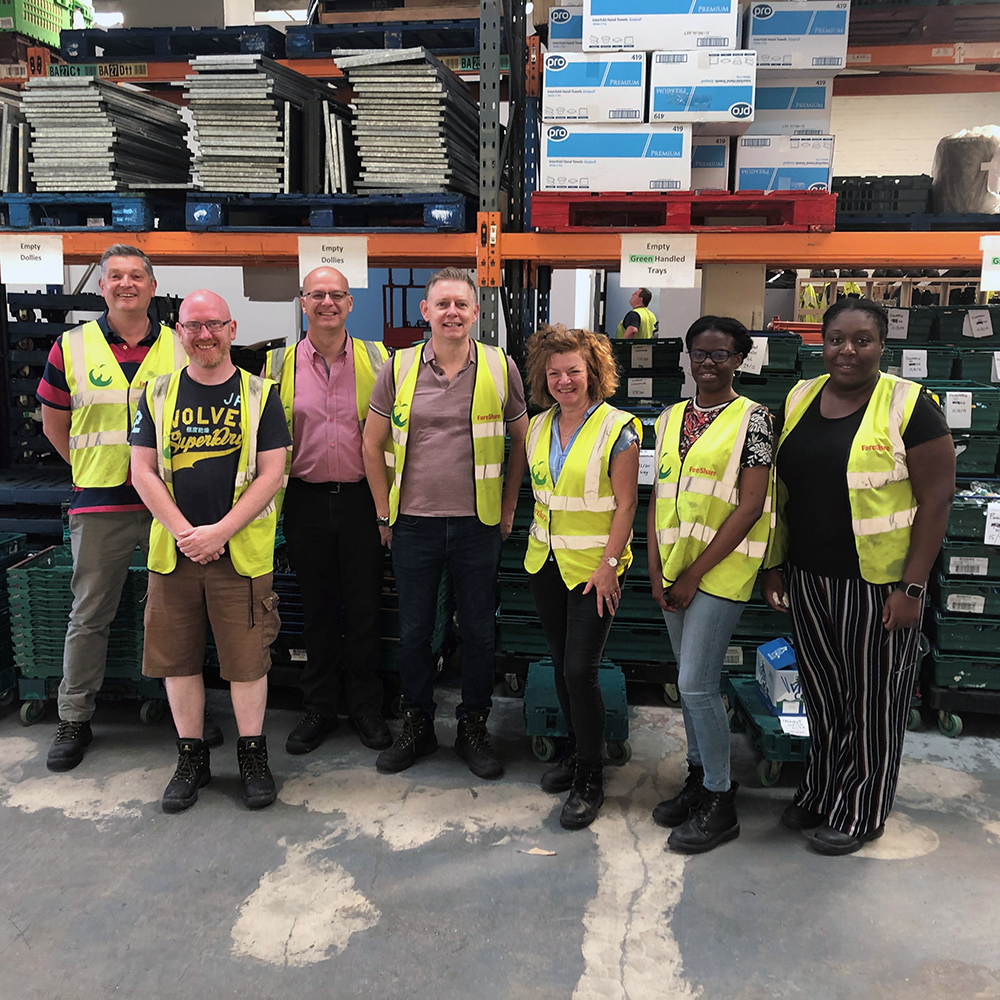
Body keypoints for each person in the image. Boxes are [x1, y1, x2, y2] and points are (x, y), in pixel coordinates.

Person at [761, 297, 954, 856]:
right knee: (822, 696)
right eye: (837, 339)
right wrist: (775, 564)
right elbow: (782, 492)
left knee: (873, 702)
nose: (848, 350)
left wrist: (913, 586)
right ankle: (823, 790)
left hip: (879, 586)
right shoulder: (800, 397)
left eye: (862, 340)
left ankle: (864, 808)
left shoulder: (909, 405)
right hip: (810, 577)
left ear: (881, 345)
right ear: (821, 343)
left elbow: (937, 499)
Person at [36, 243, 204, 772]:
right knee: (89, 615)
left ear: (153, 287)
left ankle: (191, 722)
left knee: (183, 614)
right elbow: (54, 424)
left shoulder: (183, 346)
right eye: (116, 276)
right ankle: (73, 717)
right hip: (99, 504)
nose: (126, 283)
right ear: (102, 286)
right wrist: (94, 472)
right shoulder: (72, 346)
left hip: (171, 507)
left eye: (137, 276)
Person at [362, 267, 528, 779]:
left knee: (478, 632)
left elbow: (520, 442)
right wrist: (383, 513)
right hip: (413, 524)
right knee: (414, 633)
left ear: (476, 313)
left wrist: (505, 512)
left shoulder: (502, 368)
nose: (452, 312)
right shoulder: (400, 366)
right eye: (443, 304)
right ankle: (417, 725)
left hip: (478, 526)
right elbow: (371, 443)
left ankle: (473, 726)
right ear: (425, 312)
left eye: (462, 304)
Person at [130, 290, 291, 813]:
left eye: (215, 325)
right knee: (178, 663)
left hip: (239, 556)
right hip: (175, 557)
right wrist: (185, 533)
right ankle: (191, 757)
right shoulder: (154, 394)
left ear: (232, 328)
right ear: (179, 332)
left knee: (247, 664)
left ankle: (252, 756)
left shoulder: (260, 394)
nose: (205, 335)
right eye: (194, 326)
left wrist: (220, 531)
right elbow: (142, 471)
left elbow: (272, 473)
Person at [647, 316, 774, 853]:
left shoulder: (757, 421)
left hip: (720, 573)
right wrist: (656, 570)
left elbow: (750, 505)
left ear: (739, 359)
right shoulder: (670, 417)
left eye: (721, 353)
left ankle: (721, 801)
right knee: (688, 681)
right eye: (700, 352)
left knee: (698, 685)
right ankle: (700, 779)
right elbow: (659, 496)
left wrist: (695, 574)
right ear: (688, 356)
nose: (709, 361)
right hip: (674, 570)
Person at [264, 266, 392, 756]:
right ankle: (317, 706)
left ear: (350, 303)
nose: (327, 303)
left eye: (336, 294)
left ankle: (365, 707)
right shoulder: (277, 366)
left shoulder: (379, 359)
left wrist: (386, 510)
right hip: (304, 500)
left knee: (363, 608)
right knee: (315, 609)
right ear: (303, 302)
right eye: (316, 295)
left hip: (363, 500)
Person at [522, 325, 640, 829]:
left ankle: (590, 776)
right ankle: (575, 753)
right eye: (554, 373)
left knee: (579, 671)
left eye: (574, 371)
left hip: (596, 569)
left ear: (593, 373)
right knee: (558, 664)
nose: (564, 381)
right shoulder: (537, 426)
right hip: (545, 563)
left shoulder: (620, 429)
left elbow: (628, 503)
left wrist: (610, 565)